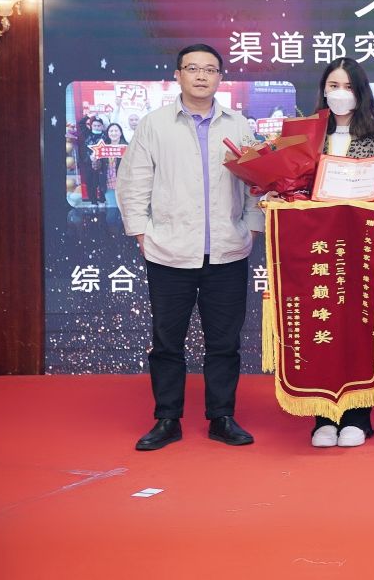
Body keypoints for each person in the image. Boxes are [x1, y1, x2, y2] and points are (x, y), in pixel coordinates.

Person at [116, 43, 264, 451]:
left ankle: (222, 417)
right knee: (167, 342)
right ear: (177, 75)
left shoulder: (239, 126)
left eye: (210, 69)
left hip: (227, 252)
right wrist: (142, 233)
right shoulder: (155, 125)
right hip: (169, 252)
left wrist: (251, 228)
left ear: (220, 78)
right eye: (193, 68)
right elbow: (133, 181)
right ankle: (167, 419)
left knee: (225, 343)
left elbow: (255, 184)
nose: (201, 76)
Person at [299, 58, 374, 448]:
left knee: (360, 328)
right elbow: (294, 185)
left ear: (360, 92)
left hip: (361, 246)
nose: (339, 93)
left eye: (347, 86)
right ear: (323, 90)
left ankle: (359, 415)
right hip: (317, 246)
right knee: (320, 328)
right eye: (333, 85)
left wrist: (361, 201)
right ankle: (323, 416)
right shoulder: (306, 133)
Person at [82, 115, 108, 205]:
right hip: (89, 163)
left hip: (102, 164)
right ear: (91, 126)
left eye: (99, 125)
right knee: (91, 183)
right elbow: (81, 123)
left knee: (102, 183)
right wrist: (88, 116)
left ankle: (102, 200)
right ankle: (93, 202)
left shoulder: (106, 136)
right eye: (94, 125)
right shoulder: (87, 133)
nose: (96, 127)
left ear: (102, 126)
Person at [99, 122, 128, 198]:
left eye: (116, 131)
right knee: (111, 205)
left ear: (121, 133)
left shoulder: (127, 147)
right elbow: (97, 167)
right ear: (108, 133)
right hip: (108, 184)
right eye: (111, 131)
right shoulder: (102, 147)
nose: (113, 133)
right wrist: (95, 160)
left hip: (124, 185)